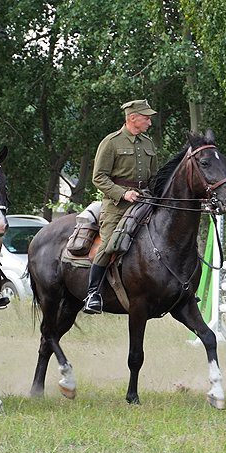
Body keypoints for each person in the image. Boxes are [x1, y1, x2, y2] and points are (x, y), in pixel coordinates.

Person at [83, 99, 160, 314]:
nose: (149, 122)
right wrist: (123, 193)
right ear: (132, 117)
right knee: (109, 245)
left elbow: (154, 177)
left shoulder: (148, 144)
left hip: (145, 201)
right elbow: (98, 177)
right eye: (146, 118)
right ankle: (93, 294)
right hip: (116, 206)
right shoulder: (111, 142)